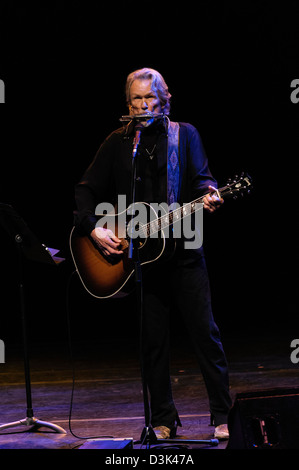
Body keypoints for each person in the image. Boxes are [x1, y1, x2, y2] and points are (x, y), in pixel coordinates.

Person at [74, 67, 232, 440]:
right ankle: (162, 419)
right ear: (127, 104)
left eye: (150, 98)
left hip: (185, 248)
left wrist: (210, 193)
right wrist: (93, 228)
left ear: (165, 100)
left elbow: (203, 179)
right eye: (136, 99)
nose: (143, 105)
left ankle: (223, 415)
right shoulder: (118, 141)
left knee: (204, 334)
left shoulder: (185, 135)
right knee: (153, 342)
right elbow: (86, 189)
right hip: (142, 259)